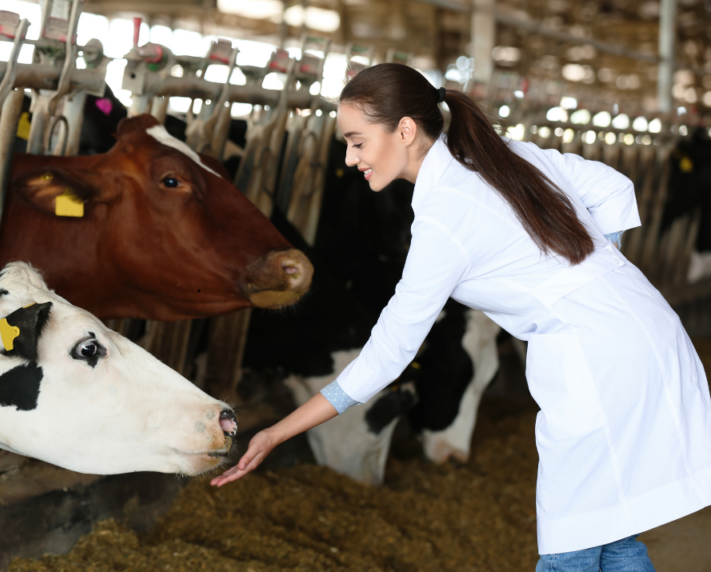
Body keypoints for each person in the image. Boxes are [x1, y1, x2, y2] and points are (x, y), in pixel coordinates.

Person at [210, 63, 711, 571]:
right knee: (612, 538)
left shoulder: (443, 221)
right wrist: (596, 277)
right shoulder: (499, 155)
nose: (349, 157)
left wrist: (278, 431)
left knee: (567, 555)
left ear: (405, 130)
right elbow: (615, 188)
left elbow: (389, 353)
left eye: (357, 141)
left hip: (598, 364)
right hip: (647, 330)